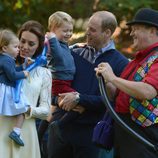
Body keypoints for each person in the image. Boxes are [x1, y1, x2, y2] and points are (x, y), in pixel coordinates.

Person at [47, 11, 129, 158]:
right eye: (88, 28)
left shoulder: (121, 63)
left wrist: (80, 99)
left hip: (89, 136)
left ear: (107, 32)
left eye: (92, 30)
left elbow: (113, 102)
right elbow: (53, 85)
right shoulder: (73, 51)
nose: (87, 33)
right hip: (59, 130)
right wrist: (58, 100)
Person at [95, 8, 158, 158]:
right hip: (125, 133)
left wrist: (113, 78)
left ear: (152, 31)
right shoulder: (136, 61)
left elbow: (148, 91)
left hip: (143, 136)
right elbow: (118, 94)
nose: (131, 33)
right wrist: (106, 80)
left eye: (136, 29)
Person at [0, 20, 52, 158]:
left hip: (25, 131)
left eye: (31, 44)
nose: (24, 47)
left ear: (39, 47)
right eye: (22, 41)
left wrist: (27, 109)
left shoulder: (44, 73)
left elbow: (46, 111)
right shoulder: (4, 64)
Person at [0, 29, 29, 146]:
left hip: (5, 87)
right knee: (22, 110)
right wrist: (24, 74)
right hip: (6, 89)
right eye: (16, 46)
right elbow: (12, 76)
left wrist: (24, 66)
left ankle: (16, 132)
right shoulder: (7, 60)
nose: (19, 49)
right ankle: (16, 132)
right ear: (5, 48)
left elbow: (11, 71)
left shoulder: (4, 59)